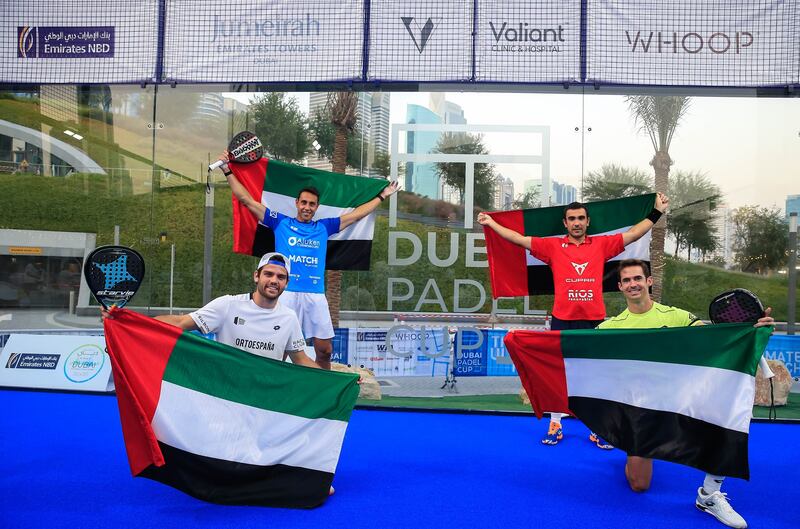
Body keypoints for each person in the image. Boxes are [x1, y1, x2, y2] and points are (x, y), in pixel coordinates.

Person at [478, 193, 669, 448]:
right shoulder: (553, 247)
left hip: (594, 322)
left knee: (597, 374)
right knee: (559, 373)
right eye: (571, 219)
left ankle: (597, 427)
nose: (576, 222)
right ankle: (556, 423)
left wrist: (657, 212)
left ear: (587, 222)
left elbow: (634, 234)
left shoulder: (601, 245)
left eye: (581, 218)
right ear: (565, 224)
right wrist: (491, 224)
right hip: (562, 320)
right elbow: (519, 239)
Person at [598, 258, 774, 529]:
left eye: (638, 278)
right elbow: (587, 357)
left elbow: (715, 340)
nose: (633, 284)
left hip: (682, 399)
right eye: (627, 281)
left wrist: (751, 333)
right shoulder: (610, 327)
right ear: (620, 287)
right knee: (639, 485)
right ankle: (631, 444)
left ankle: (709, 494)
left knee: (725, 417)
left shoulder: (676, 316)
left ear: (649, 282)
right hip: (642, 409)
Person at [217, 153, 399, 370]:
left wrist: (383, 196)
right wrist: (227, 169)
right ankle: (274, 391)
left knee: (325, 351)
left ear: (316, 207)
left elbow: (357, 215)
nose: (307, 207)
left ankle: (323, 395)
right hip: (286, 294)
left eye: (312, 204)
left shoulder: (325, 226)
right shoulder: (279, 222)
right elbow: (246, 199)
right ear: (296, 203)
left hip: (315, 294)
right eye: (303, 202)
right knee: (279, 349)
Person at [103, 252, 318, 368]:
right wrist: (129, 322)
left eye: (280, 277)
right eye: (268, 274)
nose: (274, 281)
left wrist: (340, 382)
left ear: (287, 283)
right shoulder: (228, 305)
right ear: (256, 276)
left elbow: (301, 360)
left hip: (263, 400)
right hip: (223, 394)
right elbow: (180, 323)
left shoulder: (289, 317)